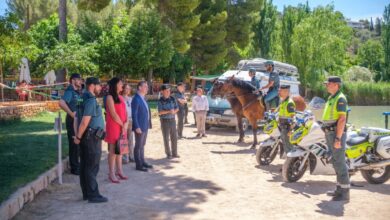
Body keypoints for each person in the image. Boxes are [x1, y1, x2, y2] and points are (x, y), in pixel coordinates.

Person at [73, 77, 107, 203]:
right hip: (91, 137)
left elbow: (76, 118)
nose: (100, 88)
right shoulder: (91, 99)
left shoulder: (81, 97)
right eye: (99, 85)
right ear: (92, 85)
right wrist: (78, 136)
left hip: (85, 136)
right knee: (92, 165)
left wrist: (78, 135)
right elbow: (85, 121)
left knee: (85, 165)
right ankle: (93, 194)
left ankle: (86, 193)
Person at [322, 76, 350, 201]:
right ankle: (339, 189)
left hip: (336, 134)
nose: (326, 85)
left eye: (328, 83)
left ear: (335, 85)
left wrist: (338, 138)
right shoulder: (331, 98)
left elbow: (342, 119)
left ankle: (344, 192)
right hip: (330, 133)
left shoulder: (340, 98)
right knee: (335, 161)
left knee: (339, 162)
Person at [104, 77, 128, 183]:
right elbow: (113, 114)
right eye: (120, 83)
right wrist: (122, 124)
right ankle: (111, 173)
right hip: (114, 126)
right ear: (115, 85)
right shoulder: (109, 97)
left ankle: (119, 171)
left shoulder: (121, 97)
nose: (122, 85)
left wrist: (126, 123)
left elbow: (125, 112)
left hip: (122, 126)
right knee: (113, 151)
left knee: (120, 150)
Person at [59, 73, 82, 175]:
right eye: (79, 80)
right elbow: (61, 103)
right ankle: (74, 168)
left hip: (78, 120)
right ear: (73, 80)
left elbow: (79, 104)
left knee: (78, 143)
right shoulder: (70, 91)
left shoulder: (77, 92)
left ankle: (77, 165)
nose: (80, 81)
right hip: (72, 121)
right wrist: (72, 114)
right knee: (74, 144)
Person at [132, 81, 153, 172]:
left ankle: (142, 161)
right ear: (139, 87)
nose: (147, 88)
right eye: (145, 86)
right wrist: (136, 126)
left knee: (142, 144)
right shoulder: (136, 99)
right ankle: (138, 164)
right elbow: (134, 114)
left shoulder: (143, 98)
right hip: (139, 126)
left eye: (147, 86)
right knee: (138, 145)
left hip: (145, 125)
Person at [158, 84, 179, 159]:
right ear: (162, 91)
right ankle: (168, 154)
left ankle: (175, 153)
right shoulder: (160, 100)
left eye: (169, 90)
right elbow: (160, 112)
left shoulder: (173, 98)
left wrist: (174, 111)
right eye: (166, 91)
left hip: (172, 120)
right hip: (164, 121)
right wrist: (169, 111)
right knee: (166, 138)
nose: (168, 92)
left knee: (174, 137)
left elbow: (177, 108)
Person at [277, 85, 296, 155]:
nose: (279, 92)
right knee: (285, 145)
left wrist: (291, 130)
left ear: (286, 92)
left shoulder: (289, 103)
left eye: (280, 91)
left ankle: (291, 162)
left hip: (287, 128)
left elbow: (293, 118)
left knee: (289, 146)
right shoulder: (283, 101)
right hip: (283, 127)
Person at [122, 83, 135, 163]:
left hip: (131, 120)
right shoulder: (120, 98)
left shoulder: (131, 99)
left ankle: (131, 156)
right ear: (123, 89)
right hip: (124, 121)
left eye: (129, 89)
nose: (128, 90)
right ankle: (124, 157)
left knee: (130, 139)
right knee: (124, 139)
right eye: (126, 88)